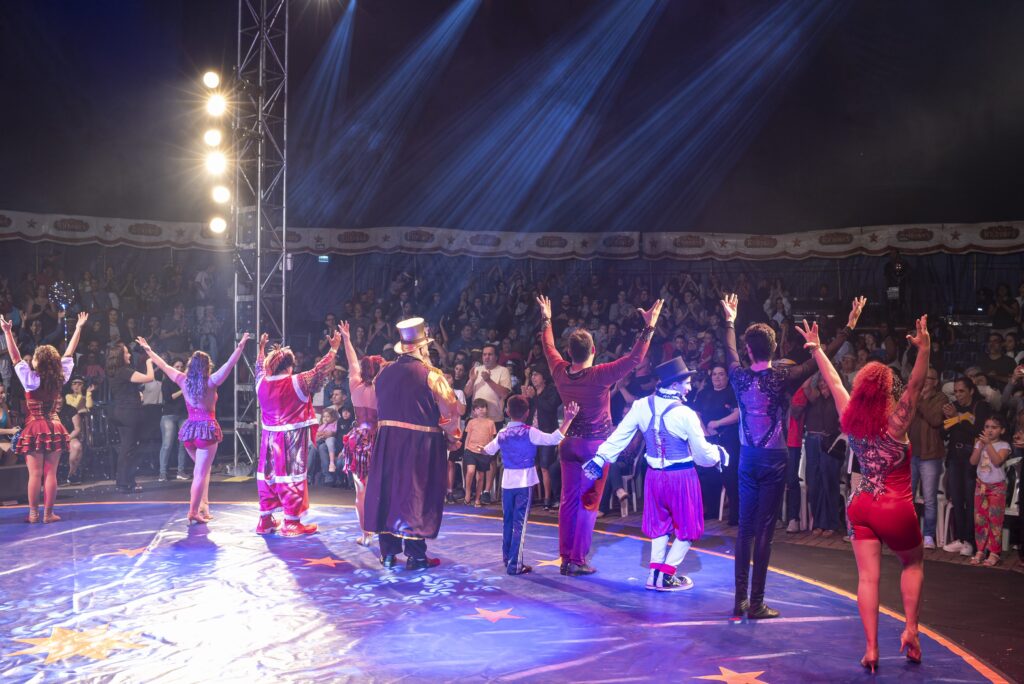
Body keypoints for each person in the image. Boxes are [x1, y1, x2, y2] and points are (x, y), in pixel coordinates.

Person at [796, 312, 930, 672]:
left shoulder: (849, 416)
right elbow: (916, 385)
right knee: (912, 562)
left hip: (861, 505)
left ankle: (871, 649)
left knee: (868, 578)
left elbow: (833, 379)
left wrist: (817, 349)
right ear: (888, 392)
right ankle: (911, 630)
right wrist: (924, 349)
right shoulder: (897, 422)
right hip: (895, 507)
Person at [719, 293, 860, 619]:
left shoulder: (738, 376)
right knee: (765, 529)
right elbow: (817, 363)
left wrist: (729, 320)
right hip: (774, 458)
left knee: (745, 530)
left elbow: (728, 349)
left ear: (749, 350)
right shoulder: (780, 377)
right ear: (773, 350)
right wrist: (846, 329)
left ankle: (740, 601)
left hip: (748, 457)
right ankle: (756, 603)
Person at [536, 294, 662, 576]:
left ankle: (566, 558)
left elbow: (548, 346)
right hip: (594, 448)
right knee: (588, 503)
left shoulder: (560, 371)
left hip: (569, 445)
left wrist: (546, 318)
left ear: (570, 353)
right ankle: (577, 560)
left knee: (568, 501)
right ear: (593, 350)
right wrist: (649, 326)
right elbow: (636, 358)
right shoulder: (599, 375)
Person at [587, 357, 726, 591]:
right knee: (688, 527)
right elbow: (702, 455)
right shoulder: (686, 414)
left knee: (660, 525)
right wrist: (718, 455)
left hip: (654, 477)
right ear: (674, 384)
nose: (689, 387)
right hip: (680, 476)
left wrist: (601, 457)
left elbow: (620, 435)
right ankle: (667, 575)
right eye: (686, 383)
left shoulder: (641, 406)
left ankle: (654, 575)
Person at [364, 317, 464, 570]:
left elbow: (376, 407)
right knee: (415, 495)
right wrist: (453, 438)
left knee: (388, 493)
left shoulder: (383, 373)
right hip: (420, 444)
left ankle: (388, 554)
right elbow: (449, 412)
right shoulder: (432, 375)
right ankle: (416, 556)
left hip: (388, 443)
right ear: (421, 347)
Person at [137, 334, 250, 525]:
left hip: (190, 432)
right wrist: (240, 347)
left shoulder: (183, 380)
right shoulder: (211, 381)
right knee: (200, 473)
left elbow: (163, 366)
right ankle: (193, 511)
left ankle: (204, 505)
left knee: (203, 470)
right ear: (207, 366)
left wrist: (149, 350)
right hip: (206, 431)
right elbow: (229, 364)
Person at [1, 311, 87, 522]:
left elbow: (15, 357)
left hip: (34, 427)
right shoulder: (60, 377)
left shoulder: (30, 379)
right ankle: (48, 514)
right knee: (50, 473)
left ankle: (33, 513)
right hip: (54, 426)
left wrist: (8, 333)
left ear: (37, 361)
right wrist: (78, 328)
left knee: (35, 474)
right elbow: (69, 352)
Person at [255, 328, 340, 536]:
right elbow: (320, 370)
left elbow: (259, 366)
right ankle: (291, 522)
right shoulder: (297, 381)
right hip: (290, 439)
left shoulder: (261, 381)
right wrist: (334, 349)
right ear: (289, 366)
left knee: (268, 477)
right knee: (291, 478)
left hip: (268, 439)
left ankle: (265, 521)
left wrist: (261, 349)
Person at [481, 396, 578, 575]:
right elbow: (553, 439)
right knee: (519, 524)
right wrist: (568, 420)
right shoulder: (530, 432)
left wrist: (478, 448)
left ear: (507, 411)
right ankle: (515, 565)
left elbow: (487, 450)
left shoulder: (502, 433)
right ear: (527, 413)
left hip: (507, 483)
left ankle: (508, 558)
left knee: (507, 522)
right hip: (524, 483)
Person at [338, 320, 383, 546]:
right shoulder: (381, 389)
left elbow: (352, 362)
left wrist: (347, 339)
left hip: (358, 440)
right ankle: (380, 529)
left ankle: (366, 534)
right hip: (377, 440)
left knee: (361, 492)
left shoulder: (355, 385)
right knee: (380, 489)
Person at [941, 376, 991, 557]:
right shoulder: (954, 406)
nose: (958, 395)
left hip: (972, 456)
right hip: (955, 456)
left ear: (971, 390)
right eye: (955, 391)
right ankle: (961, 539)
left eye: (961, 391)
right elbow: (942, 432)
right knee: (956, 499)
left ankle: (971, 541)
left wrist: (957, 418)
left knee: (971, 501)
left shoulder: (981, 406)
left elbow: (979, 431)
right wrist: (949, 420)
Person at [106, 341, 156, 494]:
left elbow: (125, 390)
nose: (129, 355)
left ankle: (126, 481)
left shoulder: (115, 372)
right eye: (126, 353)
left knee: (127, 447)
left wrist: (136, 394)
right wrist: (149, 362)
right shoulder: (124, 371)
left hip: (120, 411)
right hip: (129, 413)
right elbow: (149, 378)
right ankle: (125, 482)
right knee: (129, 448)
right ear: (120, 356)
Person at [694, 364, 740, 524]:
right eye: (714, 374)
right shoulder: (704, 394)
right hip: (708, 438)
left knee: (730, 475)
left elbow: (738, 415)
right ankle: (711, 510)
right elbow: (696, 414)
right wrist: (705, 432)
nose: (717, 377)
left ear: (727, 377)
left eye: (721, 374)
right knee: (708, 475)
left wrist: (717, 423)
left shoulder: (732, 392)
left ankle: (735, 514)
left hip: (728, 438)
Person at [908, 367, 945, 548]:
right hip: (911, 454)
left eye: (928, 378)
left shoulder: (941, 399)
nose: (924, 381)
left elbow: (936, 420)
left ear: (935, 382)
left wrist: (920, 401)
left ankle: (928, 535)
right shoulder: (912, 396)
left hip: (930, 455)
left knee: (929, 499)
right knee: (907, 497)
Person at [969, 415, 1011, 566]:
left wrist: (988, 445)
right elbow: (973, 461)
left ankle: (994, 552)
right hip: (981, 486)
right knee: (980, 519)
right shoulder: (979, 443)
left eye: (994, 427)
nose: (990, 430)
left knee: (995, 520)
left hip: (996, 488)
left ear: (1002, 430)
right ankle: (980, 550)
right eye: (987, 427)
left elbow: (997, 461)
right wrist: (980, 446)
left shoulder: (1004, 445)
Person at [523, 365, 562, 510]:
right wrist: (527, 398)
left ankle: (547, 498)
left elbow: (550, 408)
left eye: (536, 375)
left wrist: (535, 397)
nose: (533, 377)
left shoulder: (552, 391)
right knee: (533, 466)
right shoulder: (531, 392)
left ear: (544, 378)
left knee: (545, 467)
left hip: (546, 434)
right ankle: (532, 497)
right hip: (532, 434)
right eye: (532, 375)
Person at [158, 360, 189, 482]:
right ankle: (162, 473)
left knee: (183, 444)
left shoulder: (185, 381)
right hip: (169, 415)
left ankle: (181, 471)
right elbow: (168, 398)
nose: (179, 369)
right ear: (172, 368)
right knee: (167, 444)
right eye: (177, 366)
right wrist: (182, 389)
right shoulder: (167, 381)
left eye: (181, 367)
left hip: (183, 415)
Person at [463, 399, 497, 506]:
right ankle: (467, 492)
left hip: (484, 452)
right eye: (477, 408)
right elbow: (468, 437)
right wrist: (465, 449)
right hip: (471, 450)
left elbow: (492, 439)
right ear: (474, 411)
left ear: (486, 409)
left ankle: (478, 498)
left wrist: (489, 452)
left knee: (481, 477)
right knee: (471, 471)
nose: (481, 410)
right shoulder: (471, 422)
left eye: (483, 407)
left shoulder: (491, 423)